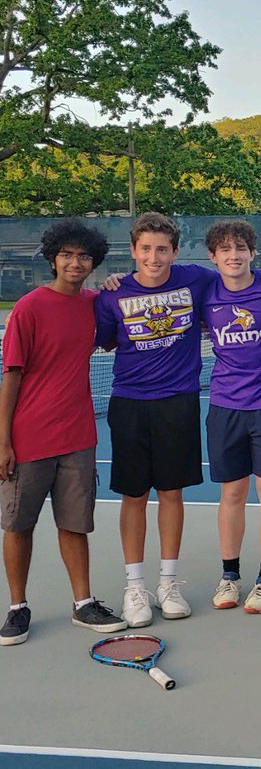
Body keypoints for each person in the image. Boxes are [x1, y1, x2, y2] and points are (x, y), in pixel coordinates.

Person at [0, 220, 126, 646]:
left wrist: (116, 284)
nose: (75, 262)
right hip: (29, 438)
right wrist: (3, 441)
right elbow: (12, 377)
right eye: (67, 255)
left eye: (84, 256)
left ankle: (83, 603)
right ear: (53, 258)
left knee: (75, 524)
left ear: (93, 263)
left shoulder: (95, 303)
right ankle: (17, 607)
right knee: (18, 525)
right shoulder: (29, 308)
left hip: (78, 436)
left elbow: (125, 305)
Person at [96, 212, 213, 628]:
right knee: (133, 497)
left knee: (171, 494)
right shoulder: (111, 295)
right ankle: (134, 587)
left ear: (175, 251)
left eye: (162, 248)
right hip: (129, 404)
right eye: (145, 248)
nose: (153, 256)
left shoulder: (197, 280)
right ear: (133, 251)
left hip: (178, 403)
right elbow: (105, 339)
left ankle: (168, 583)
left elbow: (246, 279)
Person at [203, 220, 261, 615]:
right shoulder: (205, 291)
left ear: (254, 253)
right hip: (224, 407)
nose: (233, 256)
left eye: (240, 248)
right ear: (213, 257)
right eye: (224, 250)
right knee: (232, 493)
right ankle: (230, 576)